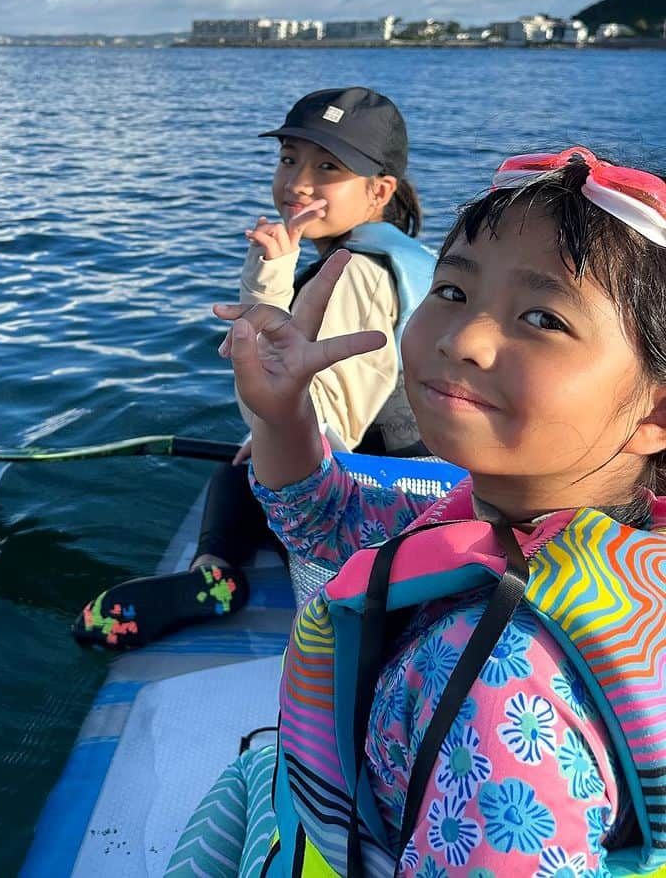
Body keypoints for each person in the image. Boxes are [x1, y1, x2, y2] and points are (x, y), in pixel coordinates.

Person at [167, 147, 666, 877]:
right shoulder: (551, 521)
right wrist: (282, 418)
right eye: (455, 293)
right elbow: (328, 518)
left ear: (656, 411)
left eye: (541, 317)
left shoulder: (504, 688)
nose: (463, 339)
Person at [73, 86, 435, 651]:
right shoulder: (395, 257)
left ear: (379, 191)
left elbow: (317, 413)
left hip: (370, 504)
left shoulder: (356, 273)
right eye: (289, 159)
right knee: (249, 457)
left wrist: (278, 434)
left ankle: (211, 573)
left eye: (327, 167)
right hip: (420, 478)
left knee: (239, 478)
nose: (297, 183)